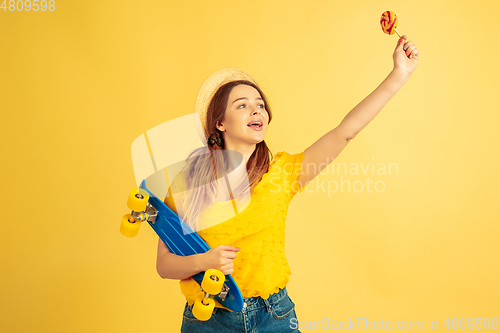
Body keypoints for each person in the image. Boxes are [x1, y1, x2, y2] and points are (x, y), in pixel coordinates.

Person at [156, 35, 419, 332]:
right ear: (220, 122)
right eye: (242, 106)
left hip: (273, 316)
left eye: (260, 105)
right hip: (207, 320)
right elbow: (164, 264)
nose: (257, 110)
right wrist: (204, 261)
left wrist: (399, 75)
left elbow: (345, 132)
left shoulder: (281, 173)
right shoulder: (188, 183)